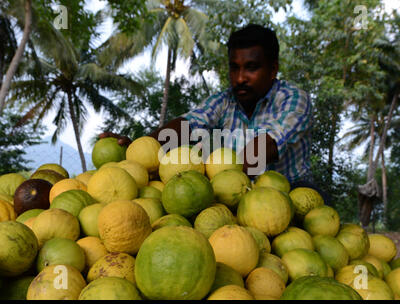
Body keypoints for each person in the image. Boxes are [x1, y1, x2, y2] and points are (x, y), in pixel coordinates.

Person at [101, 24, 331, 204]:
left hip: (291, 192)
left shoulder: (293, 99)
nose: (240, 78)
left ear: (273, 69)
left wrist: (209, 179)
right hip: (236, 191)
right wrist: (143, 150)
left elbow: (263, 149)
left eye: (251, 68)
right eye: (234, 67)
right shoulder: (225, 100)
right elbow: (187, 125)